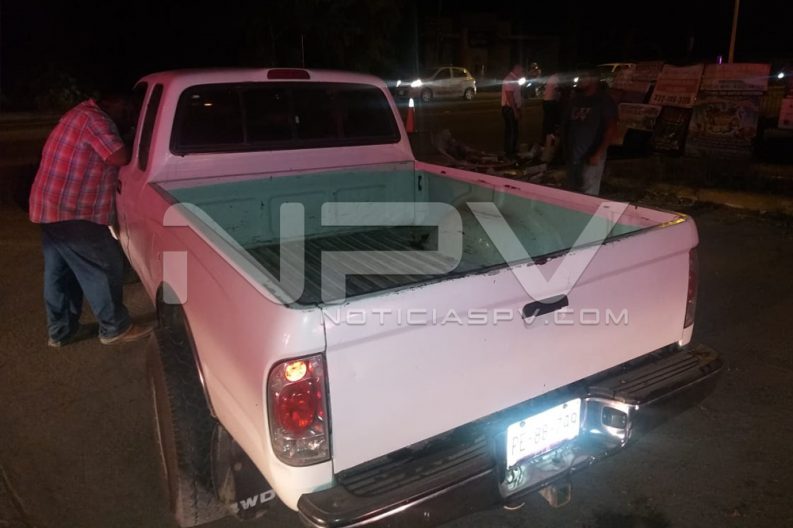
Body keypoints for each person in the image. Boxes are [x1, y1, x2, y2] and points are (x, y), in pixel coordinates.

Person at [28, 96, 154, 347]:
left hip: (52, 207)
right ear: (110, 102)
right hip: (73, 210)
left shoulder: (80, 114)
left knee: (62, 274)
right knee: (103, 266)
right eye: (126, 109)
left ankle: (62, 331)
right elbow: (119, 156)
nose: (129, 116)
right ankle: (115, 328)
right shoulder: (95, 120)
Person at [561, 70, 618, 195]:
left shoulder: (603, 100)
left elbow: (611, 128)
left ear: (594, 79)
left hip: (591, 155)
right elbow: (567, 125)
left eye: (584, 76)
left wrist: (598, 153)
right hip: (573, 155)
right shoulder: (576, 99)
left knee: (587, 194)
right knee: (571, 191)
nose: (580, 79)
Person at [501, 64, 524, 159]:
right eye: (521, 70)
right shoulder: (509, 79)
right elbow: (510, 97)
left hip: (512, 108)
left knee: (512, 130)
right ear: (516, 69)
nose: (522, 72)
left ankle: (511, 150)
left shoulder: (515, 79)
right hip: (509, 109)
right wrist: (515, 111)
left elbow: (516, 96)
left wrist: (519, 109)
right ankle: (510, 153)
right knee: (512, 131)